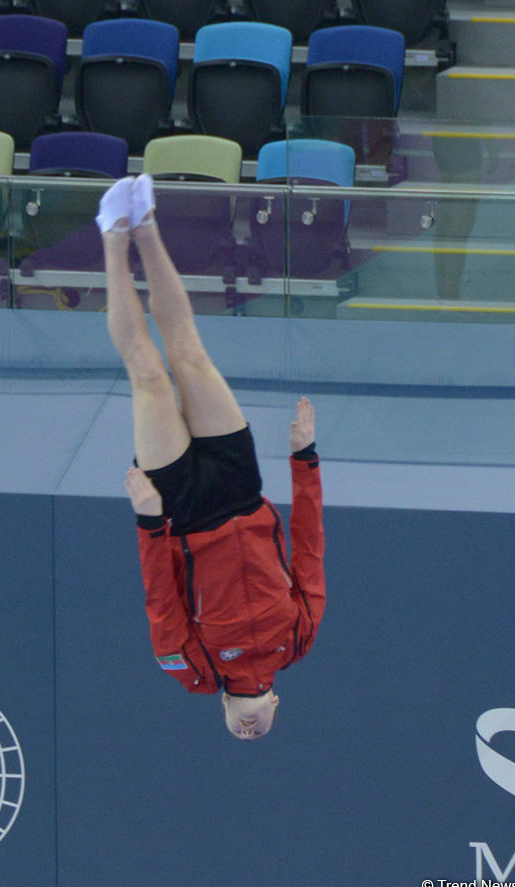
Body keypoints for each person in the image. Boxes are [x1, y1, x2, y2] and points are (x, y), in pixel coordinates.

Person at [97, 174, 326, 740]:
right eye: (258, 731)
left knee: (149, 375)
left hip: (181, 512)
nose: (248, 730)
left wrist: (148, 522)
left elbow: (161, 598)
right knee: (190, 354)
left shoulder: (192, 671)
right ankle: (146, 224)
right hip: (241, 489)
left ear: (223, 710)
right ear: (276, 704)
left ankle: (113, 234)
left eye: (238, 733)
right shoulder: (300, 639)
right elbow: (310, 548)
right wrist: (305, 461)